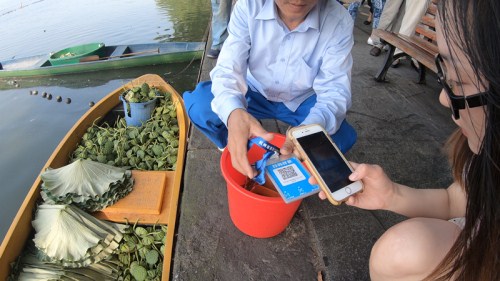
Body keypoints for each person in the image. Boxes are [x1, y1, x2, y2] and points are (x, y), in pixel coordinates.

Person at [305, 0, 500, 279]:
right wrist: (391, 195)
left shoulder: (336, 20)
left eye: (457, 83)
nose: (444, 98)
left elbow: (334, 93)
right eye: (442, 75)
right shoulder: (483, 159)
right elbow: (454, 202)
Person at [184, 0, 358, 180]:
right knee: (199, 105)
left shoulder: (339, 21)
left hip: (301, 99)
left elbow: (335, 90)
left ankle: (297, 163)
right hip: (254, 90)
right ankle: (231, 142)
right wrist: (234, 113)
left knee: (341, 138)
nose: (298, 1)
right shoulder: (248, 6)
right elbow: (228, 69)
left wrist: (306, 131)